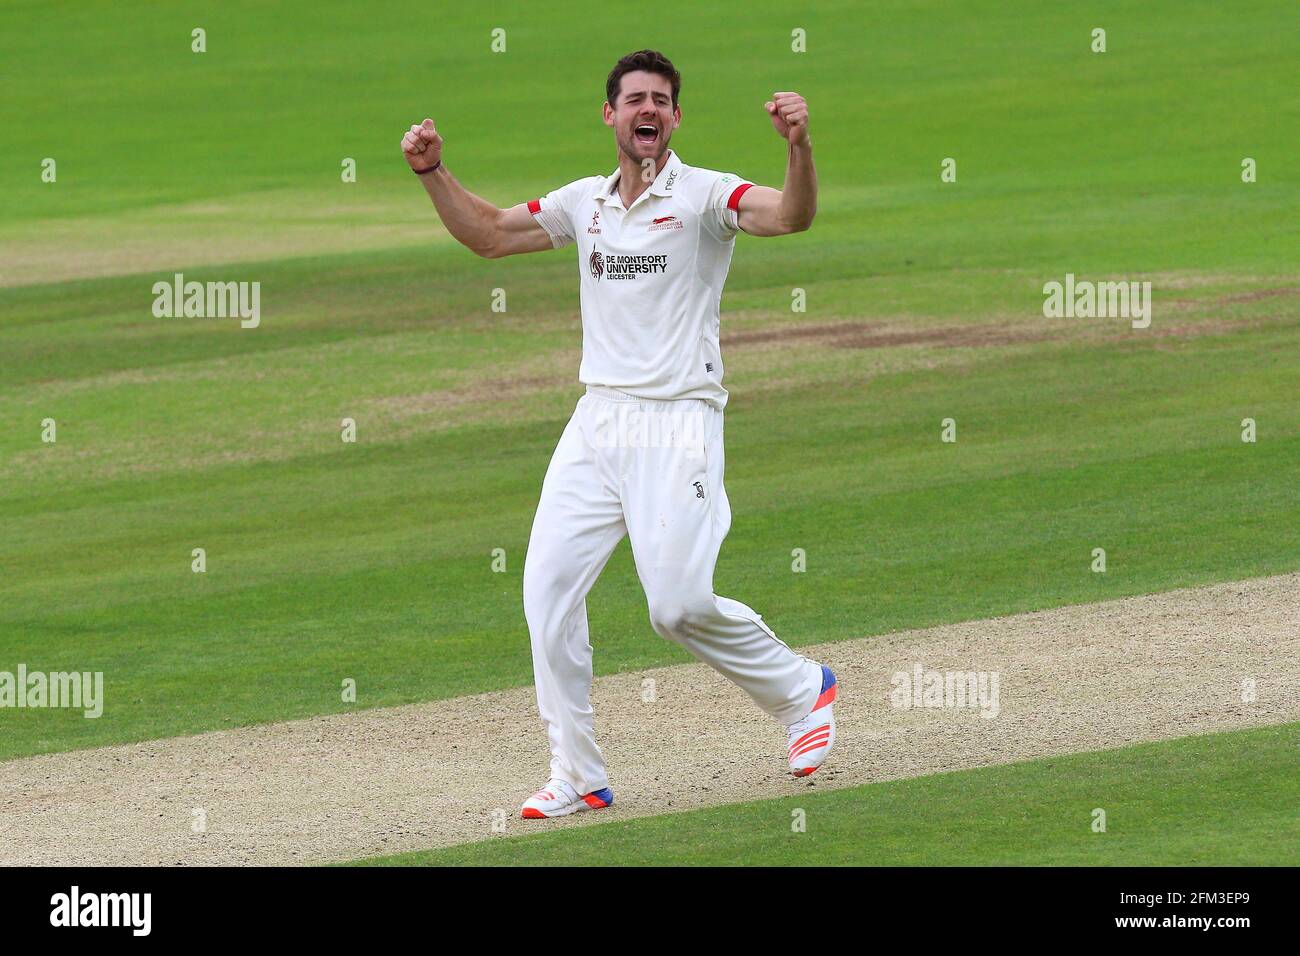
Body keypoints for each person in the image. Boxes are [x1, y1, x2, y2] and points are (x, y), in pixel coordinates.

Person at [401, 49, 838, 819]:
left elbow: (792, 216)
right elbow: (491, 235)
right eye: (634, 98)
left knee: (675, 607)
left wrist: (797, 147)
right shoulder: (586, 203)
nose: (648, 109)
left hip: (679, 422)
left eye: (661, 101)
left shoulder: (704, 196)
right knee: (546, 597)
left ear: (674, 118)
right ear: (610, 115)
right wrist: (433, 173)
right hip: (597, 422)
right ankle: (578, 773)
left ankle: (803, 691)